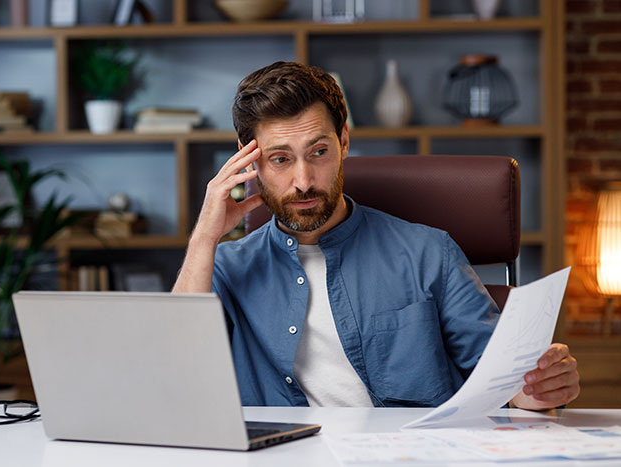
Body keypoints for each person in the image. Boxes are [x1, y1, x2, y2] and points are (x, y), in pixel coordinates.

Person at [173, 61, 580, 410]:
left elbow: (505, 383)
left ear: (344, 142)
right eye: (280, 159)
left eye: (318, 152)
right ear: (249, 159)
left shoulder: (428, 253)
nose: (303, 181)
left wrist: (541, 388)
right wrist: (205, 236)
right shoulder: (226, 267)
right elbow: (178, 374)